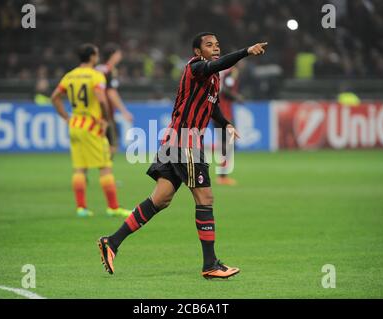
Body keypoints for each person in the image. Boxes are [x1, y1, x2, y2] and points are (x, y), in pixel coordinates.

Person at [98, 33, 268, 279]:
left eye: (218, 45)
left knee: (161, 198)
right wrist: (245, 52)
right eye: (209, 45)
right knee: (205, 197)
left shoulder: (213, 80)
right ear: (198, 52)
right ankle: (210, 264)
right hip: (185, 142)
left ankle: (111, 242)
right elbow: (216, 65)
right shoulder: (196, 67)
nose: (215, 48)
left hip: (175, 141)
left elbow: (213, 106)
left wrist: (226, 124)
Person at [51, 44, 131, 218]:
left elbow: (54, 97)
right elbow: (102, 100)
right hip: (92, 126)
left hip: (75, 125)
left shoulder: (69, 76)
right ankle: (113, 207)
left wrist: (66, 117)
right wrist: (104, 120)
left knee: (80, 168)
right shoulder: (96, 76)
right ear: (93, 57)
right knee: (104, 167)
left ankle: (81, 208)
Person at [96, 43, 134, 155]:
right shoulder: (108, 70)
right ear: (112, 55)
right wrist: (124, 112)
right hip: (106, 113)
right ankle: (105, 172)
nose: (120, 56)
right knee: (112, 146)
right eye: (118, 53)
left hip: (95, 112)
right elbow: (111, 92)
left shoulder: (98, 69)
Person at [214, 64, 245, 186]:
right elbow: (225, 89)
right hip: (224, 113)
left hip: (218, 111)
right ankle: (222, 176)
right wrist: (237, 97)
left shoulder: (224, 71)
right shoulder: (232, 72)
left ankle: (222, 175)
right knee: (228, 144)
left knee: (225, 143)